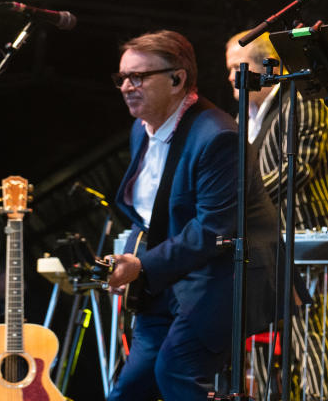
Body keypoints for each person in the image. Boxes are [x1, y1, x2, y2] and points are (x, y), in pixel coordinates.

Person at [106, 30, 279, 401]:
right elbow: (149, 215)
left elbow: (213, 228)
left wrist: (141, 266)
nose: (126, 87)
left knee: (176, 372)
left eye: (138, 77)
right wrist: (129, 261)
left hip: (224, 276)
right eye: (122, 77)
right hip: (171, 276)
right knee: (129, 389)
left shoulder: (216, 136)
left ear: (177, 78)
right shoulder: (142, 129)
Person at [225, 31, 328, 401]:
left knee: (309, 341)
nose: (233, 78)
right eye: (229, 68)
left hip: (308, 238)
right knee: (260, 344)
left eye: (240, 67)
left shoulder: (304, 101)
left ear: (270, 66)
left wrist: (237, 207)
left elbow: (294, 171)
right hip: (263, 245)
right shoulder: (240, 118)